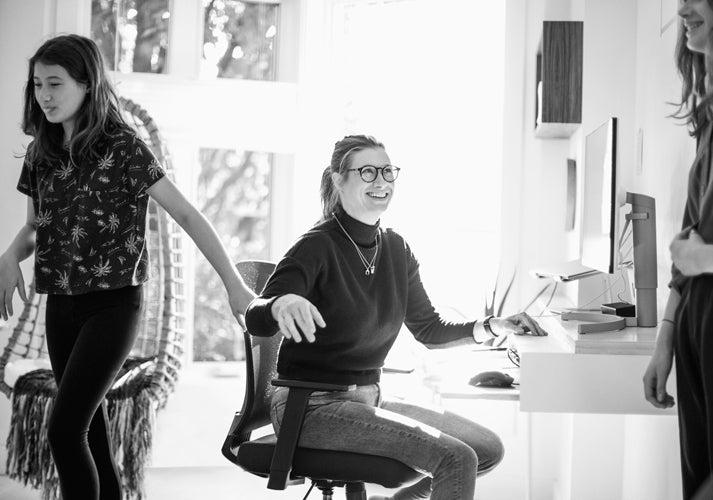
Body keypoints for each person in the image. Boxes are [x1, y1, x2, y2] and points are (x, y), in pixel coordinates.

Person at [0, 34, 254, 500]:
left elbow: (187, 215)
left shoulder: (124, 148)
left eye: (55, 84)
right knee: (90, 435)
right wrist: (8, 256)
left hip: (113, 307)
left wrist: (234, 285)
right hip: (60, 304)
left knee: (63, 430)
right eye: (37, 85)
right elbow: (37, 227)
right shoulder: (42, 153)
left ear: (87, 84)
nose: (44, 96)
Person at [245, 134, 547, 500]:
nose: (382, 181)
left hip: (368, 399)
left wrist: (494, 326)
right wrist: (278, 305)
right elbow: (256, 315)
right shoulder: (316, 245)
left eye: (388, 172)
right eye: (368, 171)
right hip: (311, 407)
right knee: (456, 458)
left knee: (485, 449)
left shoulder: (397, 249)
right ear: (339, 179)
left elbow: (430, 330)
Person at [642, 0, 713, 497]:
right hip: (701, 320)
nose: (683, 8)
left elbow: (696, 250)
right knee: (704, 483)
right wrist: (667, 336)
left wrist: (707, 260)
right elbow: (691, 232)